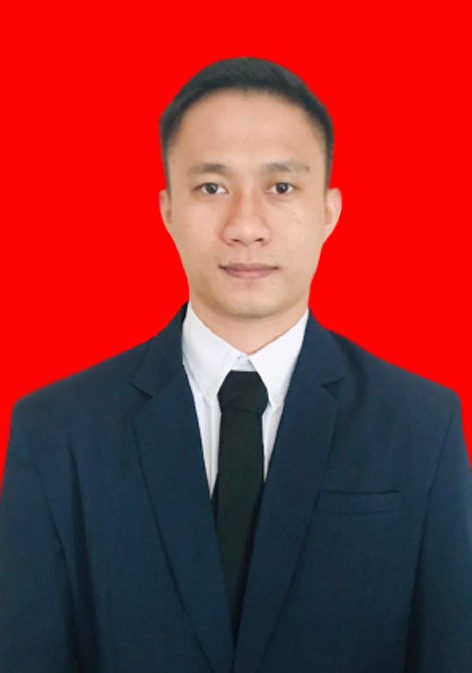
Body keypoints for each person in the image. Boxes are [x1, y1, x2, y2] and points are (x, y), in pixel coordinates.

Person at [0, 57, 471, 673]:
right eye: (212, 188)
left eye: (281, 188)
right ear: (168, 209)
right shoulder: (57, 431)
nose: (246, 226)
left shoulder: (421, 424)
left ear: (329, 210)